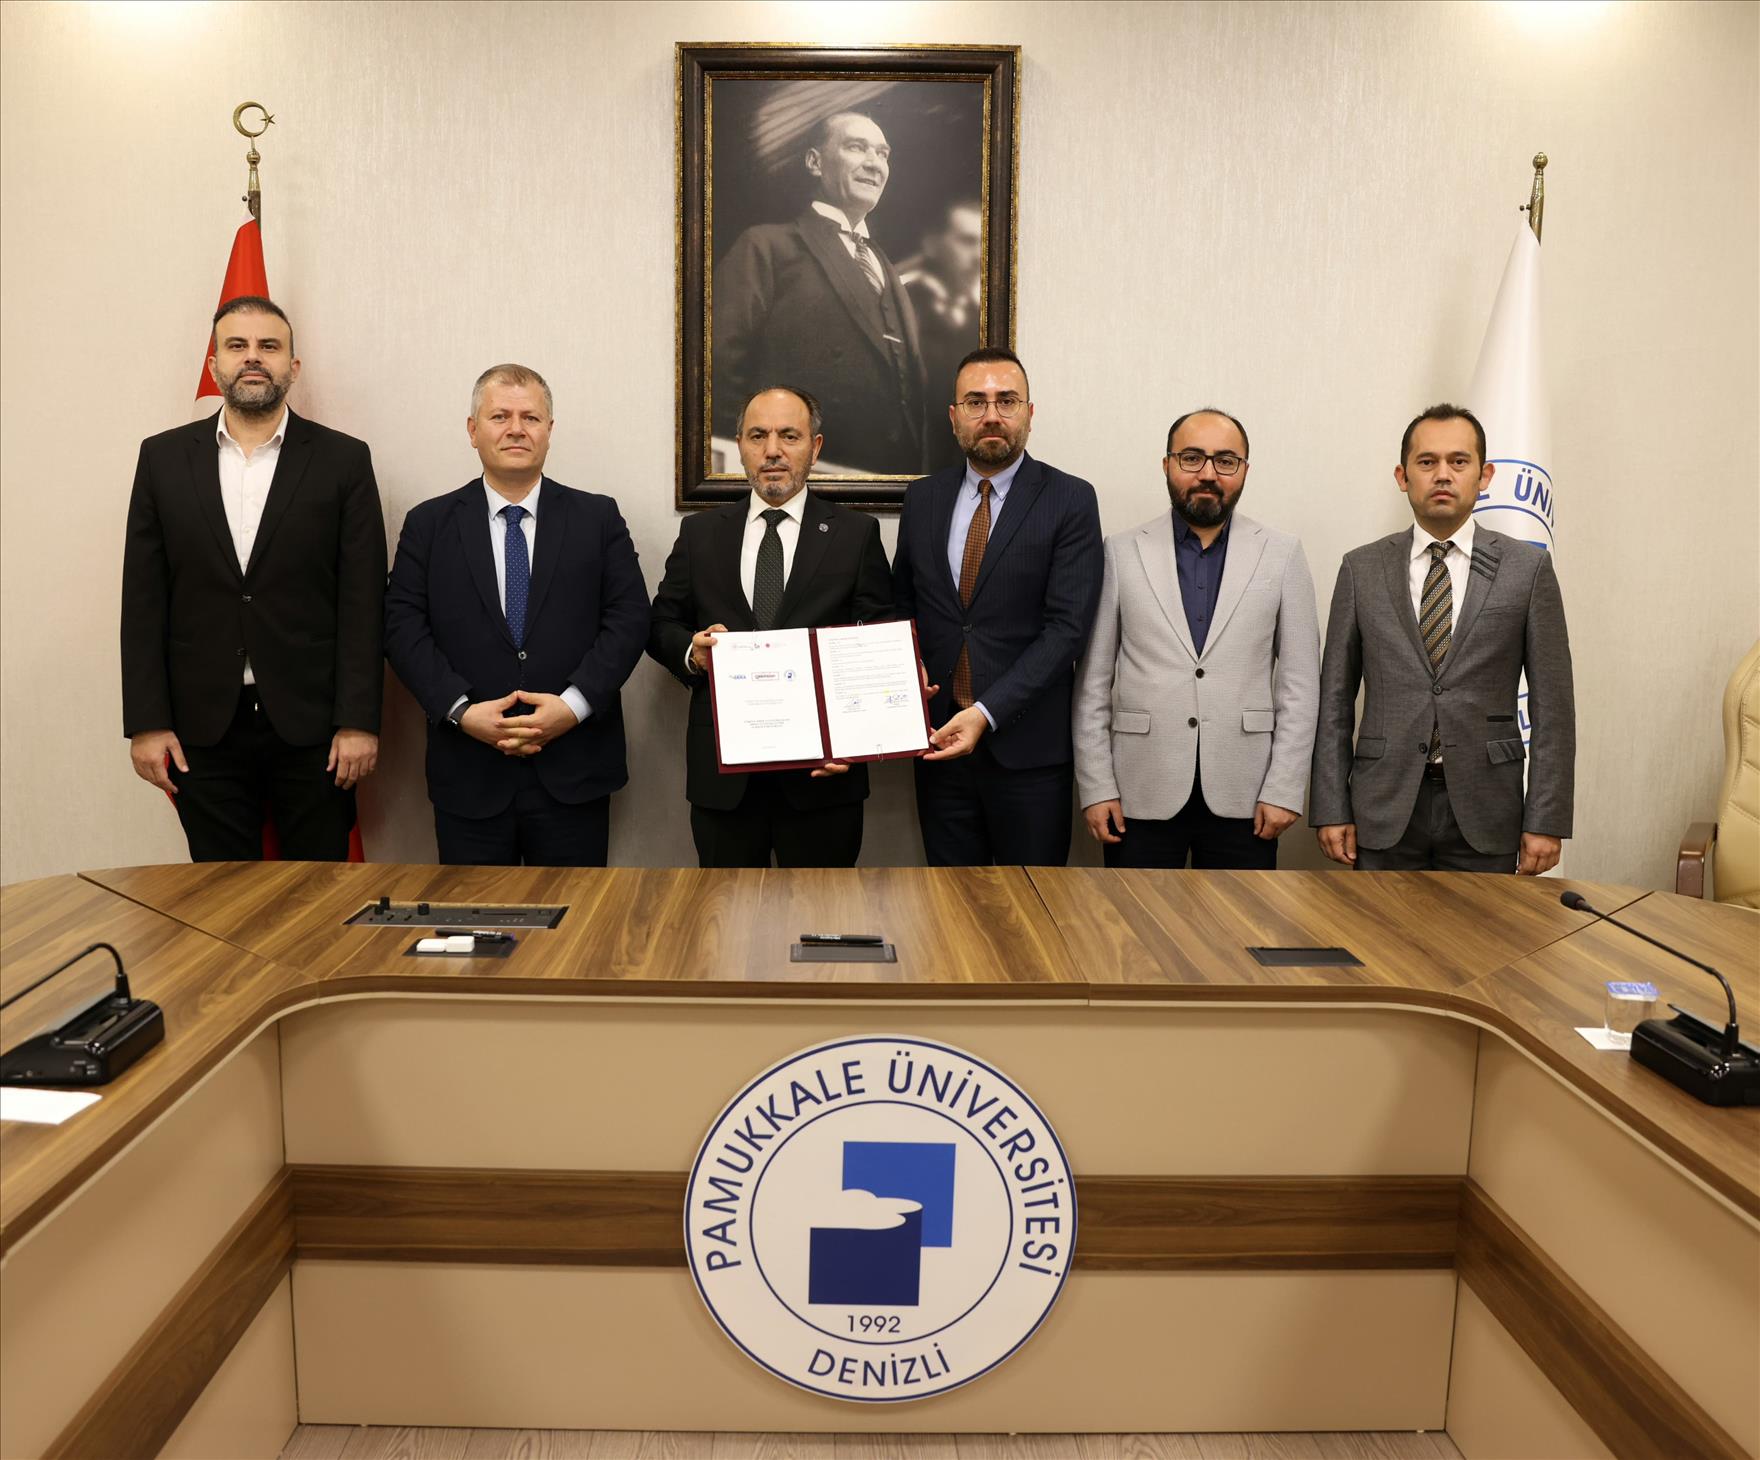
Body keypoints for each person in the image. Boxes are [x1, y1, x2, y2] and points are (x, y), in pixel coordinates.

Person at [121, 295, 385, 861]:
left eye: (269, 346)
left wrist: (358, 722)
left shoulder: (344, 460)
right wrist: (147, 723)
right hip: (201, 729)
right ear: (214, 363)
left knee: (318, 896)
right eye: (237, 345)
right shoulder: (162, 459)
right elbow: (143, 600)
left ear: (294, 365)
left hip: (316, 729)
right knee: (220, 897)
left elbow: (363, 603)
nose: (253, 358)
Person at [383, 365, 649, 867]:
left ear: (549, 429)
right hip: (469, 772)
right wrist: (462, 711)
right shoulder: (428, 524)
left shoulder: (597, 518)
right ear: (473, 430)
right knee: (474, 916)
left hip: (574, 770)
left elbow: (630, 618)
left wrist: (572, 707)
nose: (516, 429)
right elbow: (402, 627)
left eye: (530, 417)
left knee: (577, 915)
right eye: (499, 416)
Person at [1309, 403, 1575, 874]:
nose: (1443, 475)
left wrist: (1546, 818)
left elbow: (1553, 707)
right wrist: (1331, 806)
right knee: (1378, 925)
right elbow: (1334, 701)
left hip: (1488, 807)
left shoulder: (1527, 569)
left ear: (1484, 475)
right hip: (1383, 804)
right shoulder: (1361, 569)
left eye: (1459, 461)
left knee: (1484, 927)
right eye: (1427, 462)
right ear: (1403, 476)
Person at [648, 386, 894, 868]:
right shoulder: (700, 534)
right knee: (725, 911)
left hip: (823, 780)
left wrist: (856, 742)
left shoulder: (855, 534)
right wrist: (692, 652)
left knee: (824, 910)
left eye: (789, 436)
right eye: (758, 436)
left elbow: (877, 644)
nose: (773, 450)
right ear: (740, 446)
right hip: (725, 780)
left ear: (815, 448)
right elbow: (662, 623)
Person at [1074, 409, 1319, 868]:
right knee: (1135, 915)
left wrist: (1285, 788)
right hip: (1139, 790)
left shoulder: (1282, 554)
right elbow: (1092, 683)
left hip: (1247, 793)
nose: (1208, 473)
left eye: (1225, 461)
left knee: (1239, 916)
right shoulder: (1121, 552)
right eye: (1191, 458)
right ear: (1167, 464)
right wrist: (1097, 786)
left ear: (1245, 470)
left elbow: (1301, 685)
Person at [893, 347, 1103, 866]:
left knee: (1033, 905)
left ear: (1029, 413)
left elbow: (1067, 629)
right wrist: (906, 668)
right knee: (951, 904)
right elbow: (903, 606)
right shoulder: (923, 499)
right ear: (953, 417)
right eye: (975, 402)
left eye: (1006, 401)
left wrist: (986, 713)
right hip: (939, 747)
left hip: (1028, 757)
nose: (991, 415)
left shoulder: (1070, 499)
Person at [712, 111, 928, 475]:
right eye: (857, 147)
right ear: (815, 162)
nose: (874, 163)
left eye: (883, 153)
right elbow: (719, 370)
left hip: (887, 485)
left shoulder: (885, 266)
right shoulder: (766, 247)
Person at [899, 201, 983, 472]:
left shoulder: (981, 309)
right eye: (966, 242)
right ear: (932, 244)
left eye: (981, 243)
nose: (979, 255)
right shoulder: (902, 297)